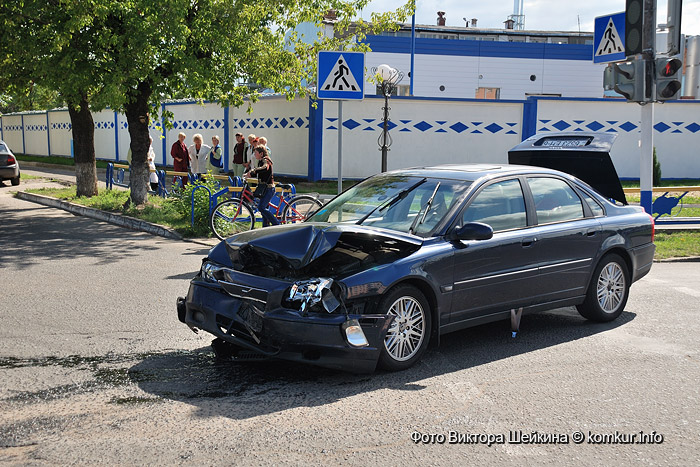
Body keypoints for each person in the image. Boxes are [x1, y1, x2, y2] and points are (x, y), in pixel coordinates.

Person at [246, 145, 279, 227]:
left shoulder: (266, 160)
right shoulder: (261, 160)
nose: (254, 154)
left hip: (269, 188)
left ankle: (277, 224)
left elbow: (265, 168)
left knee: (261, 207)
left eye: (256, 153)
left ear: (261, 153)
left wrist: (253, 171)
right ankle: (265, 227)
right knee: (264, 211)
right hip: (265, 188)